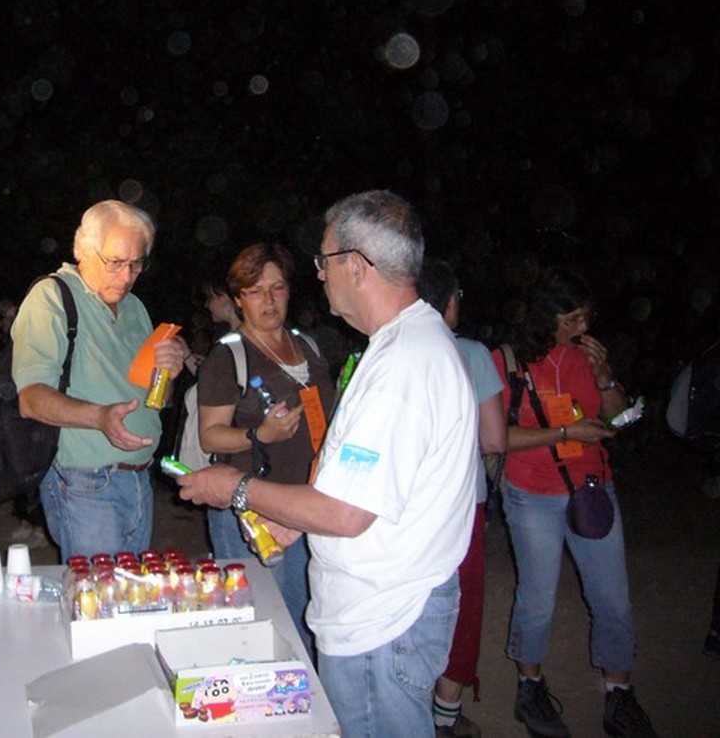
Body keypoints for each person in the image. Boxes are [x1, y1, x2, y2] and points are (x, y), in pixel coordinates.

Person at [177, 189, 478, 736]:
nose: (319, 275)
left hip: (382, 622)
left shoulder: (401, 366)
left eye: (325, 260)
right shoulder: (404, 345)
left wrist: (235, 487)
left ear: (356, 267)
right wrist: (293, 520)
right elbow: (360, 477)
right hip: (386, 607)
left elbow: (345, 512)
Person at [492, 267, 658, 738]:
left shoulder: (588, 356)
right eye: (571, 319)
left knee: (613, 599)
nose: (582, 327)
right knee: (538, 599)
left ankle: (619, 693)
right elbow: (497, 437)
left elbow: (620, 420)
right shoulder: (508, 360)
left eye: (586, 316)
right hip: (533, 494)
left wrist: (604, 379)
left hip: (592, 489)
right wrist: (565, 432)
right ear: (544, 316)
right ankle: (530, 686)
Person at [13, 199, 187, 560]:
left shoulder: (135, 307)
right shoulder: (52, 296)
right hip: (86, 481)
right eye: (116, 262)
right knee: (98, 593)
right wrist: (99, 417)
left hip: (140, 478)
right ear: (84, 250)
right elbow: (30, 399)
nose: (126, 276)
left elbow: (158, 399)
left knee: (127, 591)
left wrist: (169, 373)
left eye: (136, 264)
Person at [196, 243, 334, 661]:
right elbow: (210, 437)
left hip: (308, 504)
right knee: (259, 629)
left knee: (309, 620)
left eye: (277, 288)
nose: (269, 300)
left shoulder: (307, 346)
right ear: (238, 299)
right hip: (252, 512)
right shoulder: (229, 356)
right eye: (255, 291)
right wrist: (260, 434)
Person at [418, 259, 508, 738]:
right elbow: (494, 439)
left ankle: (406, 698)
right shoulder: (471, 353)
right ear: (449, 302)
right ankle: (444, 716)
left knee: (412, 601)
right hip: (460, 503)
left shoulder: (389, 351)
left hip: (408, 504)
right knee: (462, 604)